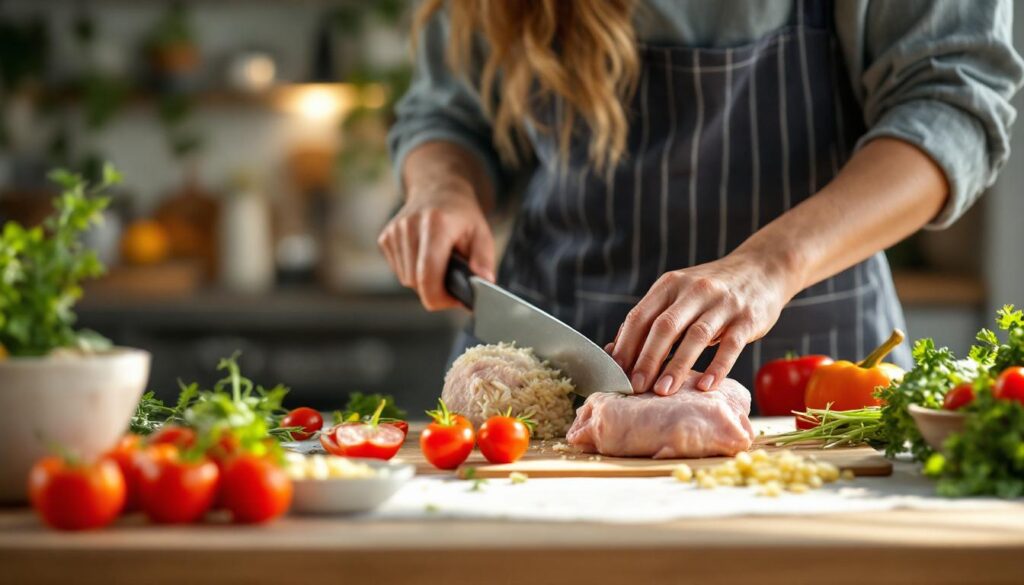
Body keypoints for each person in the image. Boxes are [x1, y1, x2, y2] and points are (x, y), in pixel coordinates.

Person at [380, 0, 1023, 404]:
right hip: (553, 366)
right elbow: (448, 113)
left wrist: (770, 265)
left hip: (817, 380)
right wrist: (444, 186)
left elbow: (951, 107)